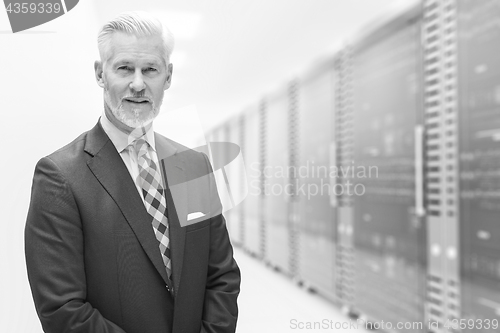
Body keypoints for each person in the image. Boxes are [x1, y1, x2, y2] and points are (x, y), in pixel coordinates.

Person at [25, 11, 241, 333]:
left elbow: (221, 275)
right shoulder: (60, 177)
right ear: (101, 73)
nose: (137, 84)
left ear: (167, 77)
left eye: (150, 69)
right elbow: (62, 310)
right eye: (124, 68)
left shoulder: (193, 165)